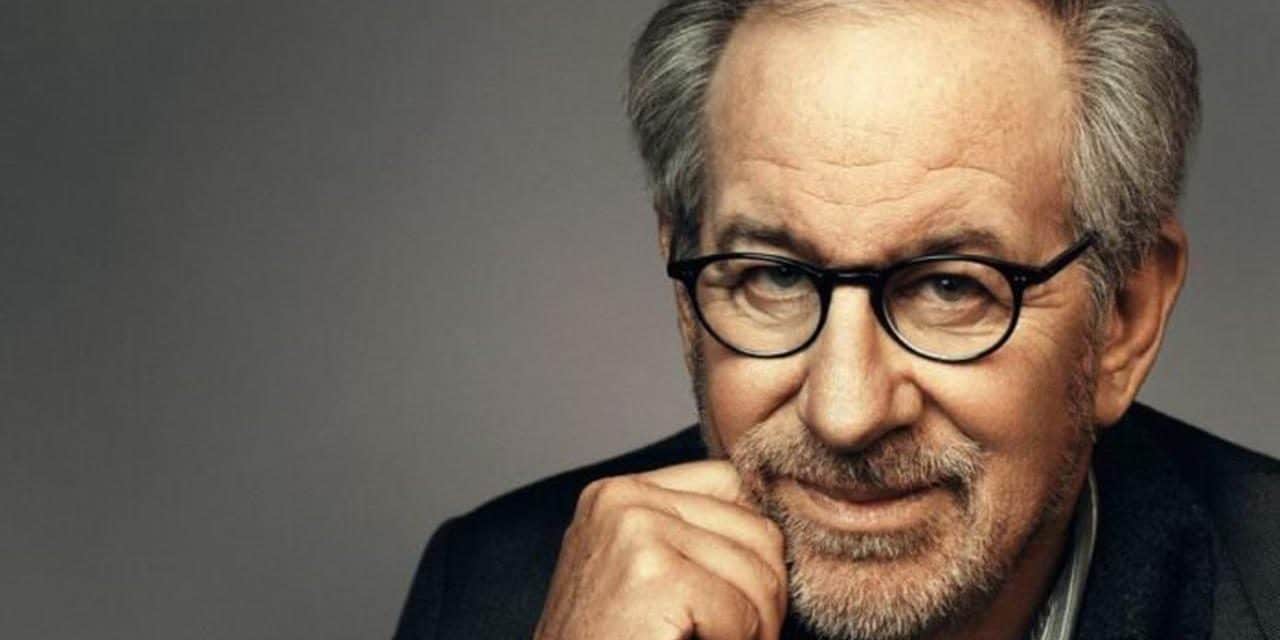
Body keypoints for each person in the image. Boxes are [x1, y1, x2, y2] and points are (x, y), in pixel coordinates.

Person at [394, 0, 1279, 638]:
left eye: (951, 287)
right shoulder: (489, 593)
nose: (846, 412)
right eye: (775, 276)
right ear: (684, 295)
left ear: (1125, 316)